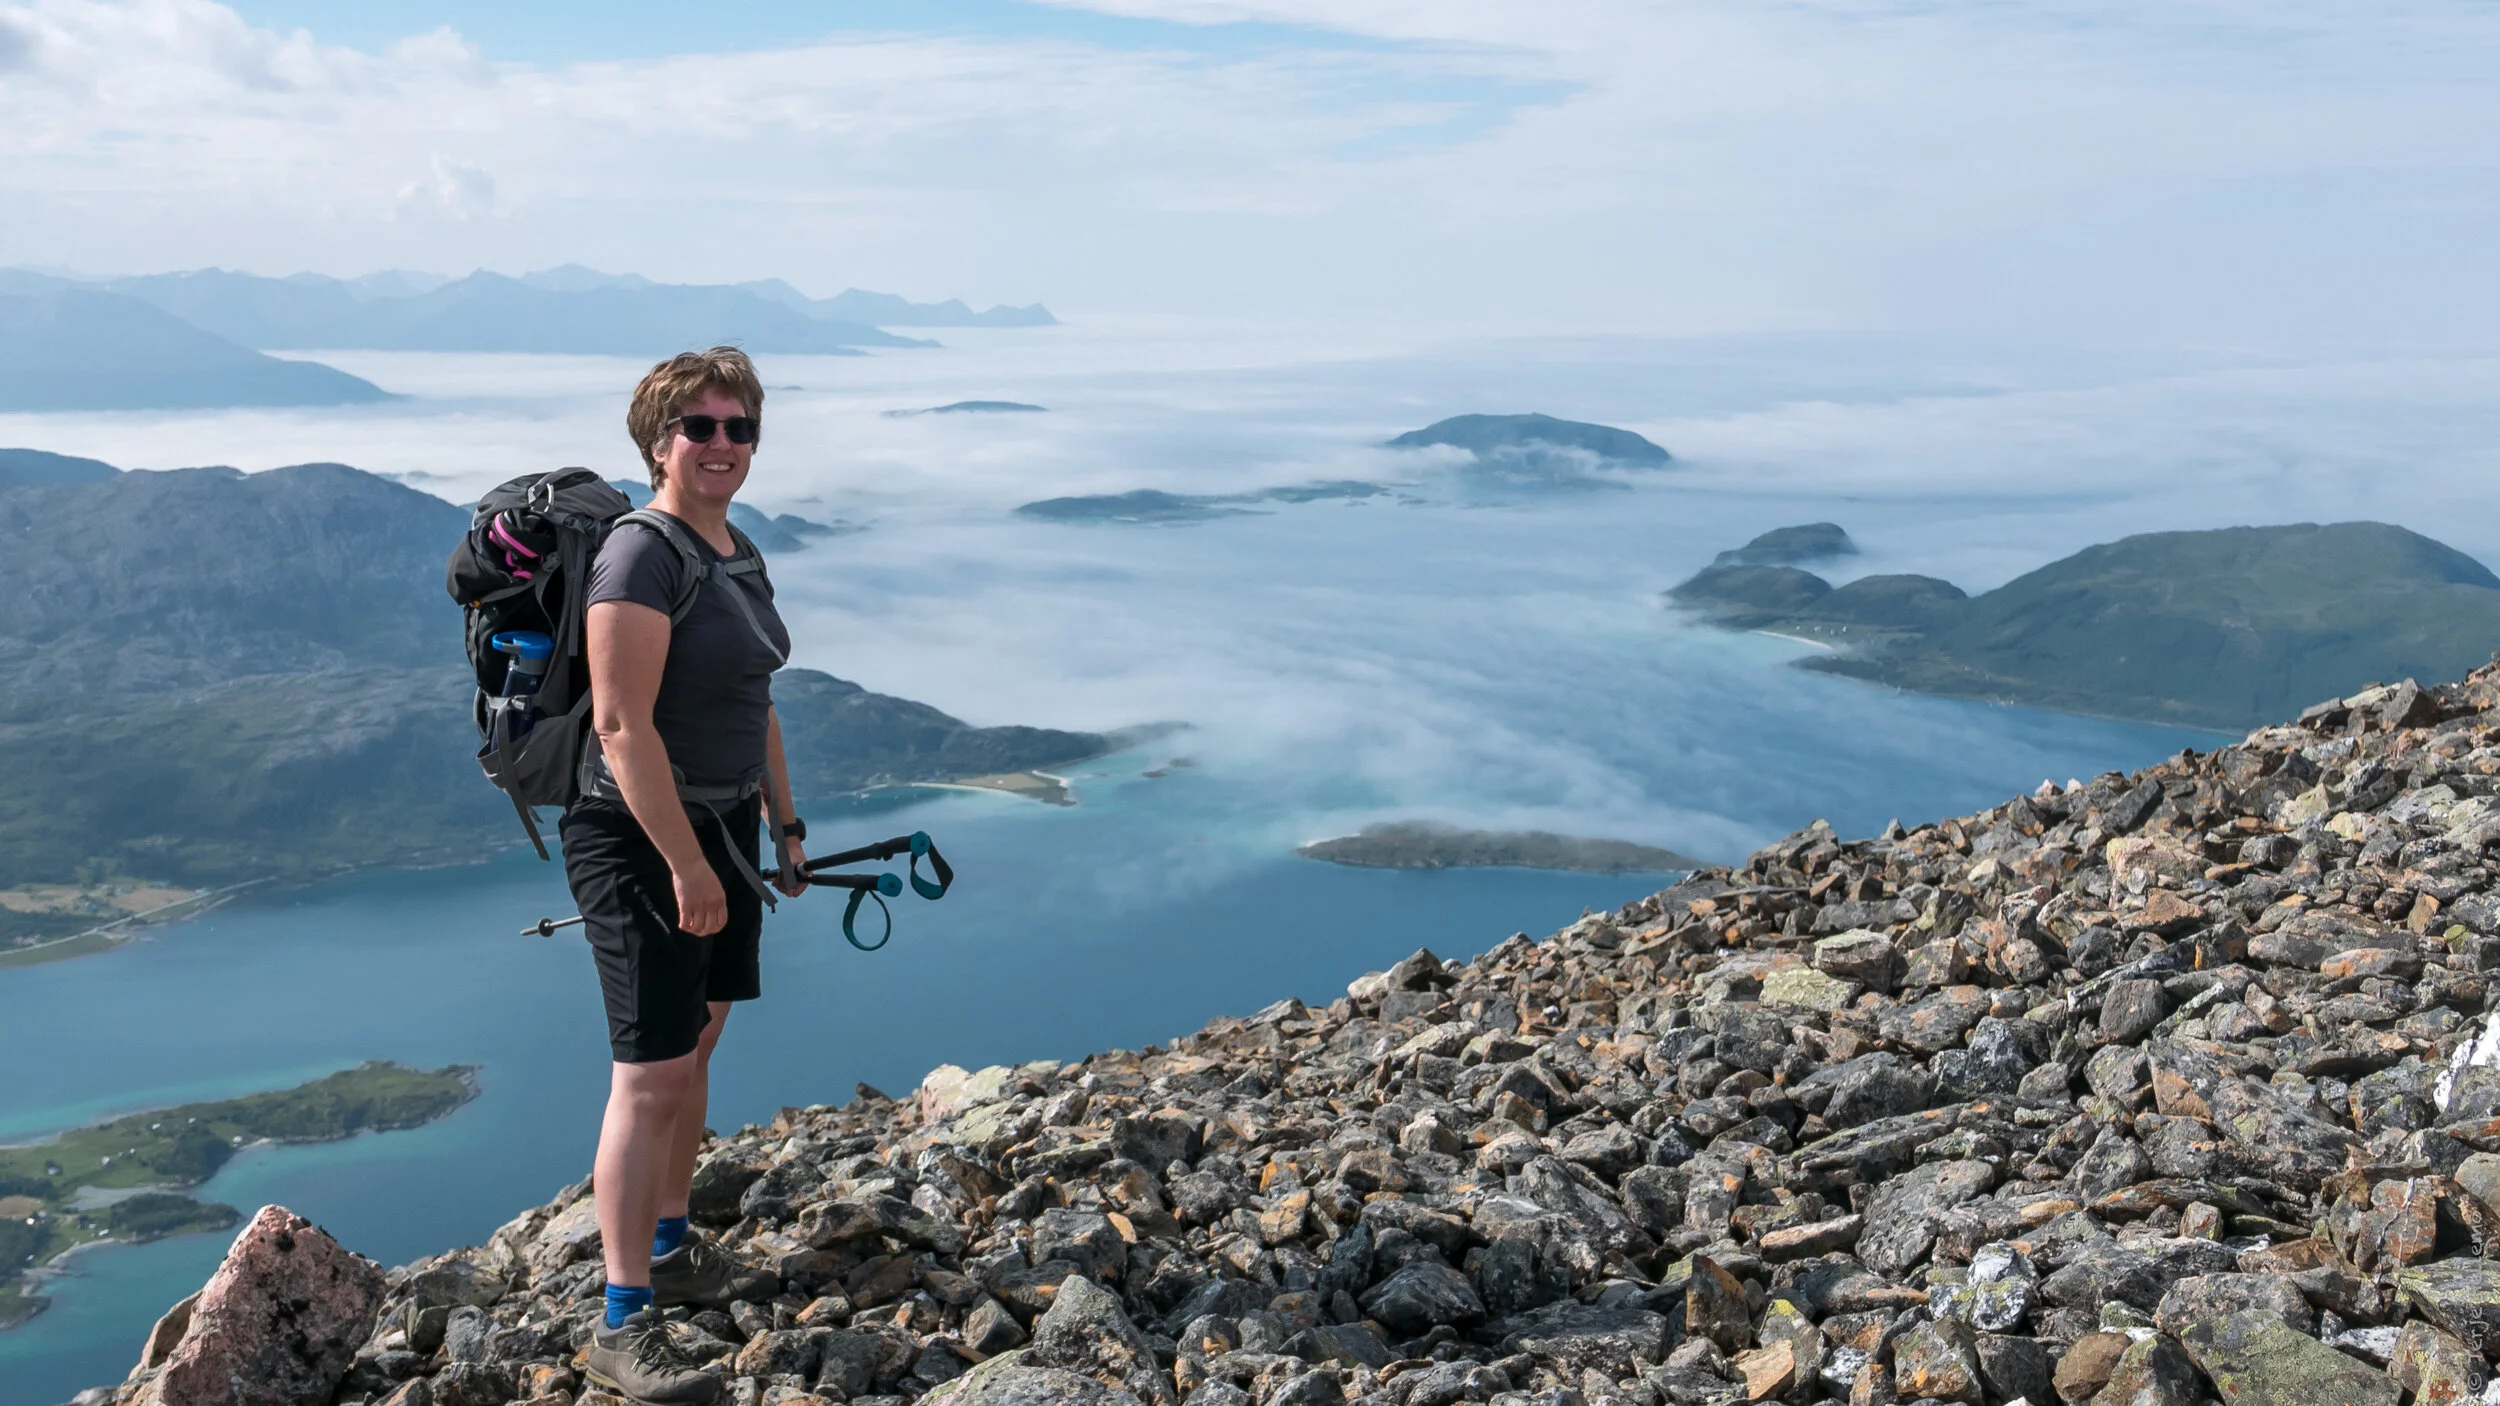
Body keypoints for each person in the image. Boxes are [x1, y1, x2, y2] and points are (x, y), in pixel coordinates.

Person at [568, 347, 808, 1406]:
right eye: (699, 427)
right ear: (657, 439)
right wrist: (680, 864)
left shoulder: (734, 548)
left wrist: (784, 823)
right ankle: (621, 1321)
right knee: (650, 1070)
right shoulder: (640, 554)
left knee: (699, 1036)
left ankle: (672, 1244)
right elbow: (620, 727)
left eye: (737, 427)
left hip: (720, 822)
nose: (720, 444)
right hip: (636, 832)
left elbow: (753, 701)